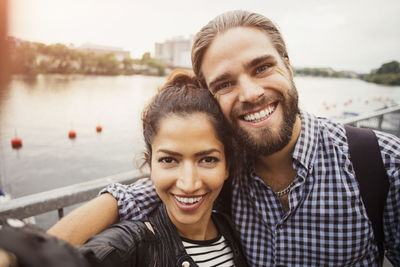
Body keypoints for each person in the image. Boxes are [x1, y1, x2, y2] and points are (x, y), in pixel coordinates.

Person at [48, 10, 400, 266]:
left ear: (288, 67)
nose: (250, 93)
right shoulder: (221, 168)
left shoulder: (379, 163)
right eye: (225, 83)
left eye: (262, 67)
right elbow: (138, 195)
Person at [1, 70, 248, 267]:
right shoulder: (130, 244)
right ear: (149, 165)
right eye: (169, 160)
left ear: (228, 166)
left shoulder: (233, 228)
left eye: (207, 160)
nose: (189, 183)